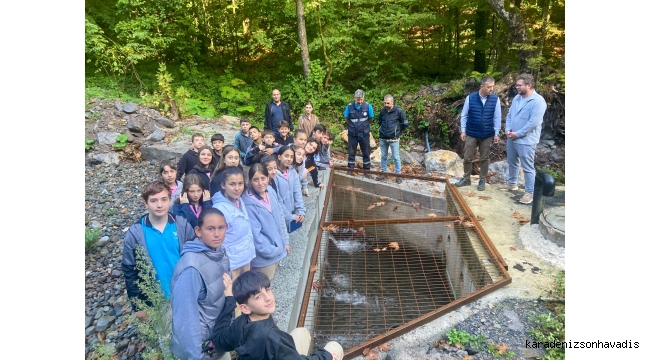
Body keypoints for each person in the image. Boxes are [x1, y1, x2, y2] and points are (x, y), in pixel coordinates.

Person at [209, 271, 343, 360]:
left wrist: (229, 299)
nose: (268, 298)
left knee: (301, 332)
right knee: (334, 347)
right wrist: (325, 356)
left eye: (267, 289)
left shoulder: (240, 323)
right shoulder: (273, 338)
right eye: (258, 296)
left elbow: (219, 339)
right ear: (244, 308)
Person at [170, 208, 231, 360]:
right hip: (203, 349)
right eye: (210, 229)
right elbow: (185, 319)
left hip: (218, 337)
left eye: (221, 228)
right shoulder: (191, 268)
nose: (217, 234)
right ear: (198, 231)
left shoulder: (219, 250)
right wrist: (197, 356)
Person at [122, 181, 196, 303]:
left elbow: (196, 257)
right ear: (145, 203)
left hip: (185, 292)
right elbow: (129, 269)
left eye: (164, 199)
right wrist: (137, 304)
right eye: (153, 201)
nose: (159, 205)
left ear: (170, 199)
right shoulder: (135, 233)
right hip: (155, 299)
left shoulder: (182, 226)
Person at [502, 73, 548, 204]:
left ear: (529, 85)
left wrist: (518, 134)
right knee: (512, 162)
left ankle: (529, 192)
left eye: (519, 85)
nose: (517, 87)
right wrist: (507, 130)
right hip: (512, 137)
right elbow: (510, 115)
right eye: (516, 85)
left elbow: (533, 123)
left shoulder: (538, 101)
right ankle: (512, 184)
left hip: (526, 140)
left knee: (528, 167)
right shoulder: (517, 98)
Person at [242, 164, 290, 280]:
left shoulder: (270, 191)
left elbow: (280, 216)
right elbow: (256, 236)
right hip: (264, 259)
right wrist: (275, 249)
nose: (260, 183)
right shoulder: (249, 204)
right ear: (251, 181)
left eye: (263, 178)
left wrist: (285, 241)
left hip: (278, 249)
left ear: (268, 178)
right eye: (255, 180)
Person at [454, 76, 502, 191]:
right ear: (482, 86)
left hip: (487, 134)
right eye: (489, 87)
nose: (491, 89)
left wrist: (496, 133)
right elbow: (464, 115)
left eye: (493, 87)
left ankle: (482, 180)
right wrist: (463, 131)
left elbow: (497, 117)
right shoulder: (470, 98)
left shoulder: (495, 99)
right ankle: (466, 178)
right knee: (467, 157)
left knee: (484, 158)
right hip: (471, 132)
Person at [211, 167, 255, 283]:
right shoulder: (219, 209)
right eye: (232, 184)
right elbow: (217, 240)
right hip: (232, 264)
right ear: (223, 185)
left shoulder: (239, 200)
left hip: (245, 257)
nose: (237, 188)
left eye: (240, 183)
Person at [375, 94, 409, 183]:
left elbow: (405, 123)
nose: (386, 105)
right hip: (383, 138)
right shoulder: (383, 111)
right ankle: (383, 172)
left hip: (394, 139)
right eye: (385, 103)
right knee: (383, 156)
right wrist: (381, 130)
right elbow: (379, 122)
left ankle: (398, 175)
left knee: (396, 157)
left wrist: (398, 131)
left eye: (388, 103)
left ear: (392, 102)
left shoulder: (399, 111)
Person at [275, 146, 307, 228]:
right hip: (279, 216)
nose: (289, 159)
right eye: (286, 156)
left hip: (292, 212)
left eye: (291, 157)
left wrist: (301, 211)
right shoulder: (274, 175)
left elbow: (297, 193)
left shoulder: (292, 172)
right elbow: (278, 200)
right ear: (279, 157)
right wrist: (290, 216)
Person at [344, 89, 374, 177]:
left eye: (361, 99)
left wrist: (364, 126)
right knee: (351, 152)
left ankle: (367, 171)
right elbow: (346, 118)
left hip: (364, 134)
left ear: (363, 98)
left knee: (366, 152)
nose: (360, 101)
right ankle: (350, 169)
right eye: (358, 99)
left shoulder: (368, 106)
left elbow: (371, 118)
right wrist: (353, 126)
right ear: (354, 98)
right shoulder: (349, 107)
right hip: (352, 134)